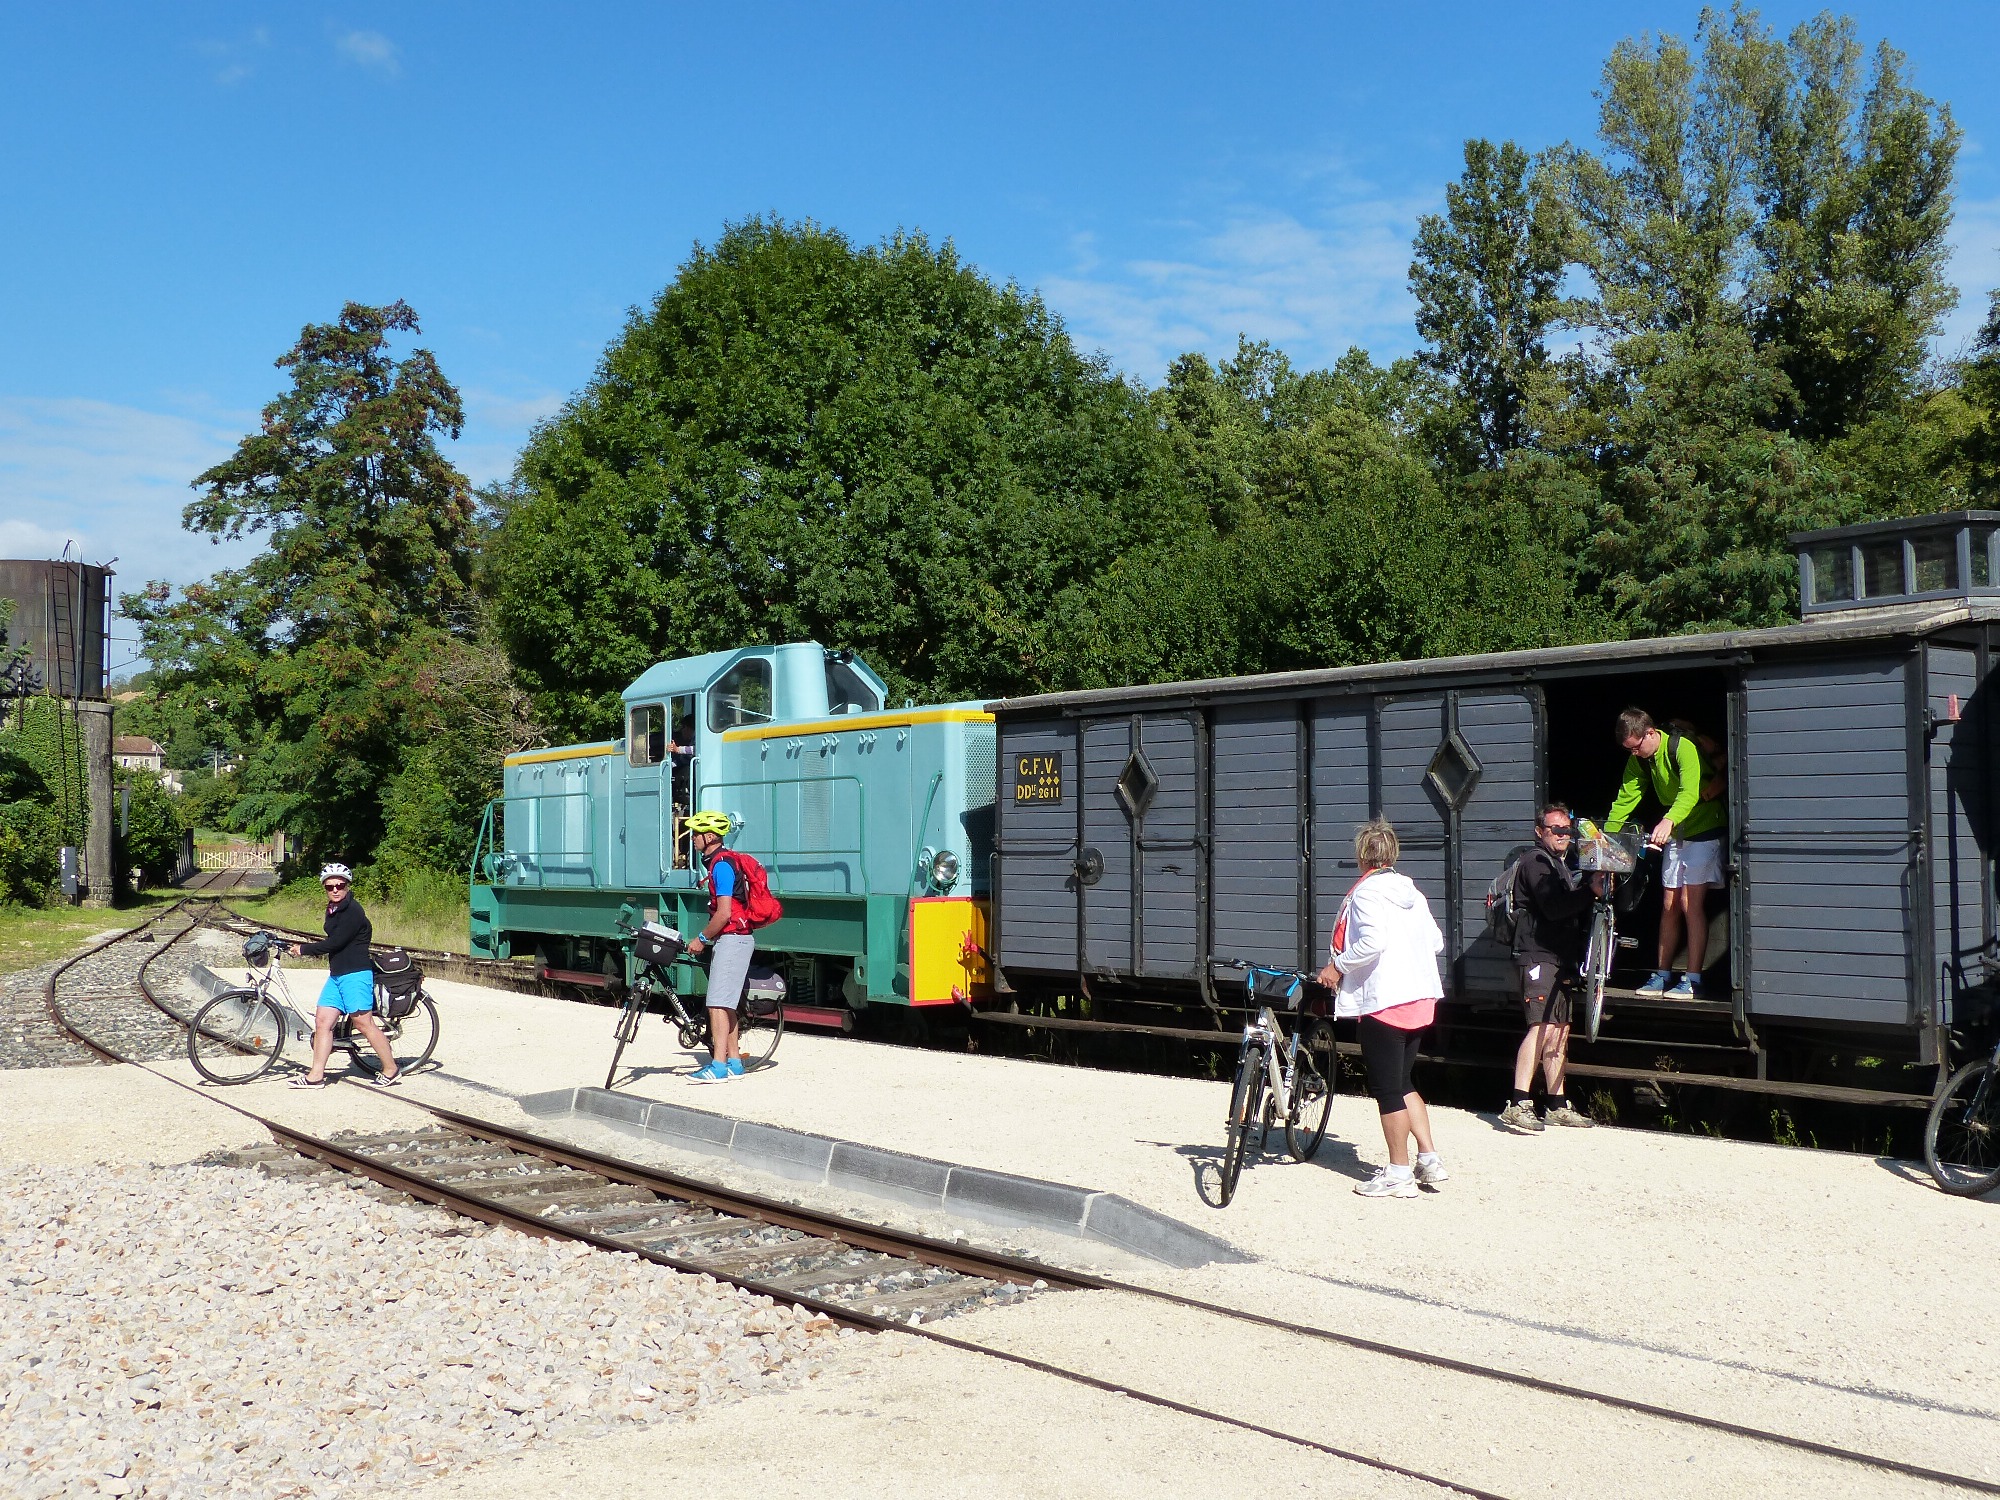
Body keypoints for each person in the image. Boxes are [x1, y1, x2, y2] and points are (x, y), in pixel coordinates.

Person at [1316, 820, 1448, 1198]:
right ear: (1393, 854)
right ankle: (1429, 1159)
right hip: (1420, 999)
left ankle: (1398, 1174)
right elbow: (1436, 941)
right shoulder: (1412, 892)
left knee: (1387, 1089)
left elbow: (1372, 942)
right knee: (1404, 1082)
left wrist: (1337, 966)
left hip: (1386, 1001)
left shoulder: (1365, 894)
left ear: (1361, 855)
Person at [1604, 707, 1726, 999]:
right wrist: (1605, 837)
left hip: (1704, 829)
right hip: (1677, 835)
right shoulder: (1640, 760)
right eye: (1628, 750)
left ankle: (1693, 978)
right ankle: (1662, 974)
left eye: (1636, 747)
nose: (1633, 754)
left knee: (1688, 903)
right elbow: (1625, 797)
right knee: (1669, 903)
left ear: (1649, 733)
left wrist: (1668, 819)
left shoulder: (1681, 747)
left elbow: (1689, 792)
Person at [1500, 803, 1602, 1133]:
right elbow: (1554, 908)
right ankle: (1518, 1103)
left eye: (1566, 830)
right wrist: (1590, 892)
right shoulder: (1536, 861)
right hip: (1537, 955)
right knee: (1540, 1026)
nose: (1562, 835)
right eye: (1555, 829)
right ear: (1540, 831)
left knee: (1559, 1028)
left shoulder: (1560, 865)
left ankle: (1557, 1104)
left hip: (1559, 958)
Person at [287, 863, 400, 1088]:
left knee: (362, 1022)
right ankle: (315, 1076)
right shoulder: (333, 909)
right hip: (337, 975)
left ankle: (391, 1069)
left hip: (356, 974)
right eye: (330, 887)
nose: (335, 890)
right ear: (325, 888)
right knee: (322, 1022)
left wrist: (304, 949)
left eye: (340, 885)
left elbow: (335, 942)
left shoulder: (352, 911)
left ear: (347, 886)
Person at [682, 811, 755, 1083]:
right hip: (738, 939)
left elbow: (723, 913)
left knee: (715, 1004)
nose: (692, 839)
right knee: (727, 1004)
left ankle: (718, 1066)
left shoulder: (721, 865)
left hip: (733, 939)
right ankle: (734, 1062)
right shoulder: (721, 862)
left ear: (710, 836)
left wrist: (700, 939)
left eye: (696, 834)